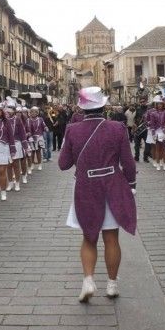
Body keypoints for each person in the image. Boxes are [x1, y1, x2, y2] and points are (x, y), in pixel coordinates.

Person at [59, 87, 136, 302]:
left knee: (88, 237)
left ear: (82, 108)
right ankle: (111, 285)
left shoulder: (72, 130)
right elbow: (128, 162)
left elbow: (63, 164)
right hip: (113, 185)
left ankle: (88, 280)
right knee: (111, 238)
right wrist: (132, 183)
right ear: (104, 106)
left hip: (85, 186)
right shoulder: (117, 127)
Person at [28, 106, 47, 170]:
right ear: (30, 113)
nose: (33, 113)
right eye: (32, 112)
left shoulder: (40, 119)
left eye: (35, 112)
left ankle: (39, 164)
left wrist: (46, 128)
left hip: (39, 137)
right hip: (31, 138)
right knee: (32, 151)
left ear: (37, 113)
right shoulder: (28, 120)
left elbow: (44, 125)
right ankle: (32, 164)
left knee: (38, 151)